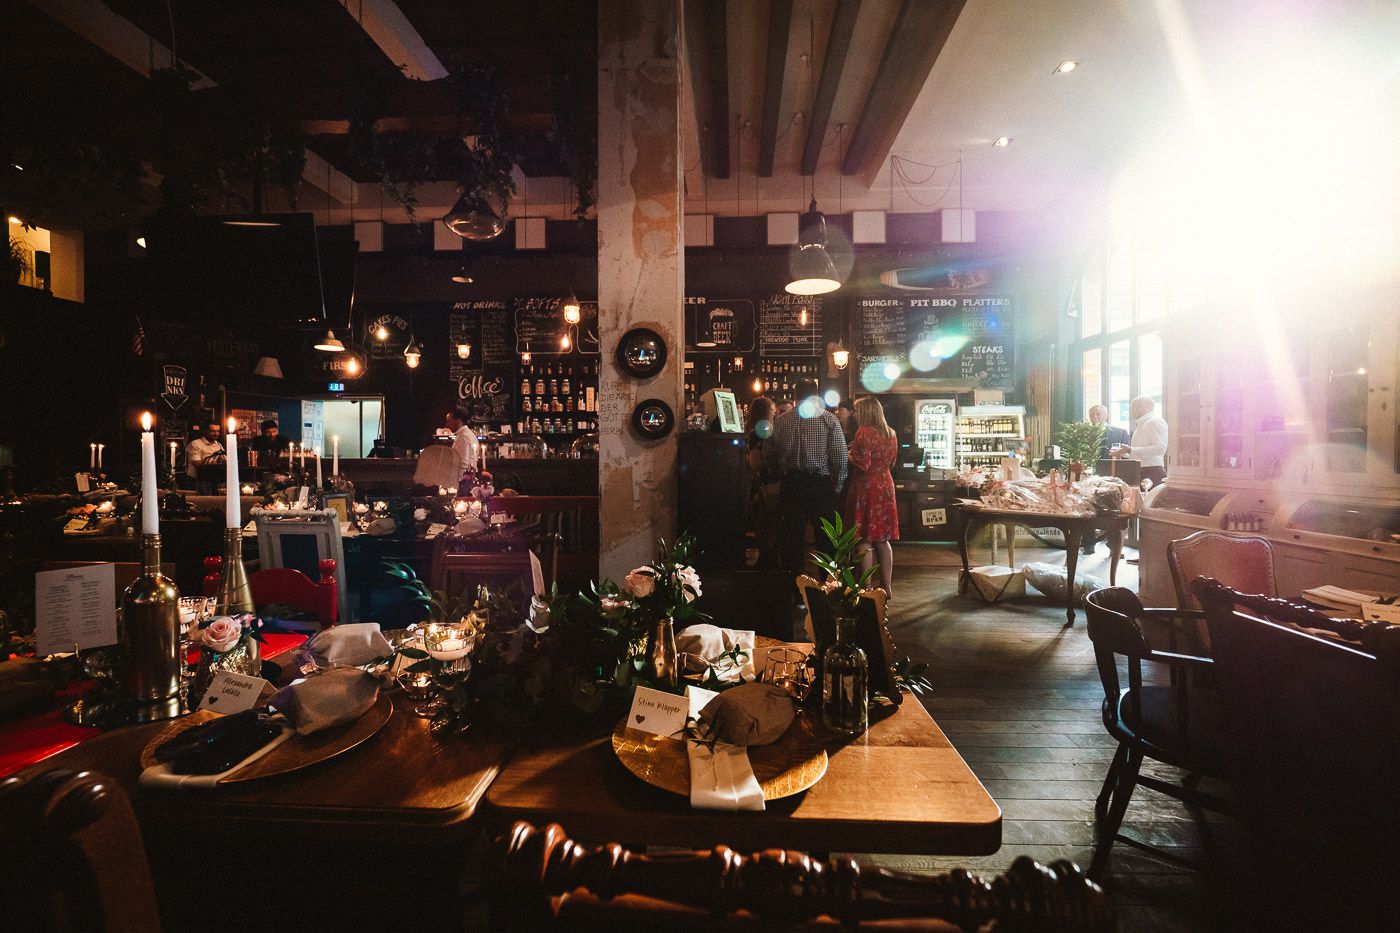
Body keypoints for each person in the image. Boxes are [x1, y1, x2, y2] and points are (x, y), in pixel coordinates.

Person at [764, 379, 848, 583]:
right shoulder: (829, 419)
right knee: (826, 539)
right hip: (820, 484)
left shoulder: (781, 421)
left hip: (792, 483)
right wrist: (837, 485)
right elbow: (840, 457)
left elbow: (768, 455)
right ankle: (829, 586)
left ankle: (795, 588)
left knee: (792, 539)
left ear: (795, 397)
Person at [846, 397, 900, 599]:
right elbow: (890, 461)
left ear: (866, 412)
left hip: (866, 487)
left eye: (857, 410)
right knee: (883, 539)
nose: (855, 414)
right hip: (885, 484)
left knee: (864, 539)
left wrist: (848, 454)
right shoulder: (891, 432)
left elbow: (863, 464)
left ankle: (866, 588)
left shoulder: (864, 432)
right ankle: (887, 587)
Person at [1113, 396, 1169, 488]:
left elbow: (1161, 449)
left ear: (1145, 407)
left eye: (1134, 407)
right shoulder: (1143, 423)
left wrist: (1131, 450)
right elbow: (1139, 453)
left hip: (1152, 472)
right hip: (1141, 470)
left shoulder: (1154, 422)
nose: (1131, 410)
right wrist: (1124, 453)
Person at [444, 406, 481, 480]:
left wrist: (456, 482)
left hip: (463, 480)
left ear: (458, 421)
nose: (447, 425)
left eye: (449, 421)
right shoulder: (467, 433)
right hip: (468, 477)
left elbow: (463, 463)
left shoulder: (463, 436)